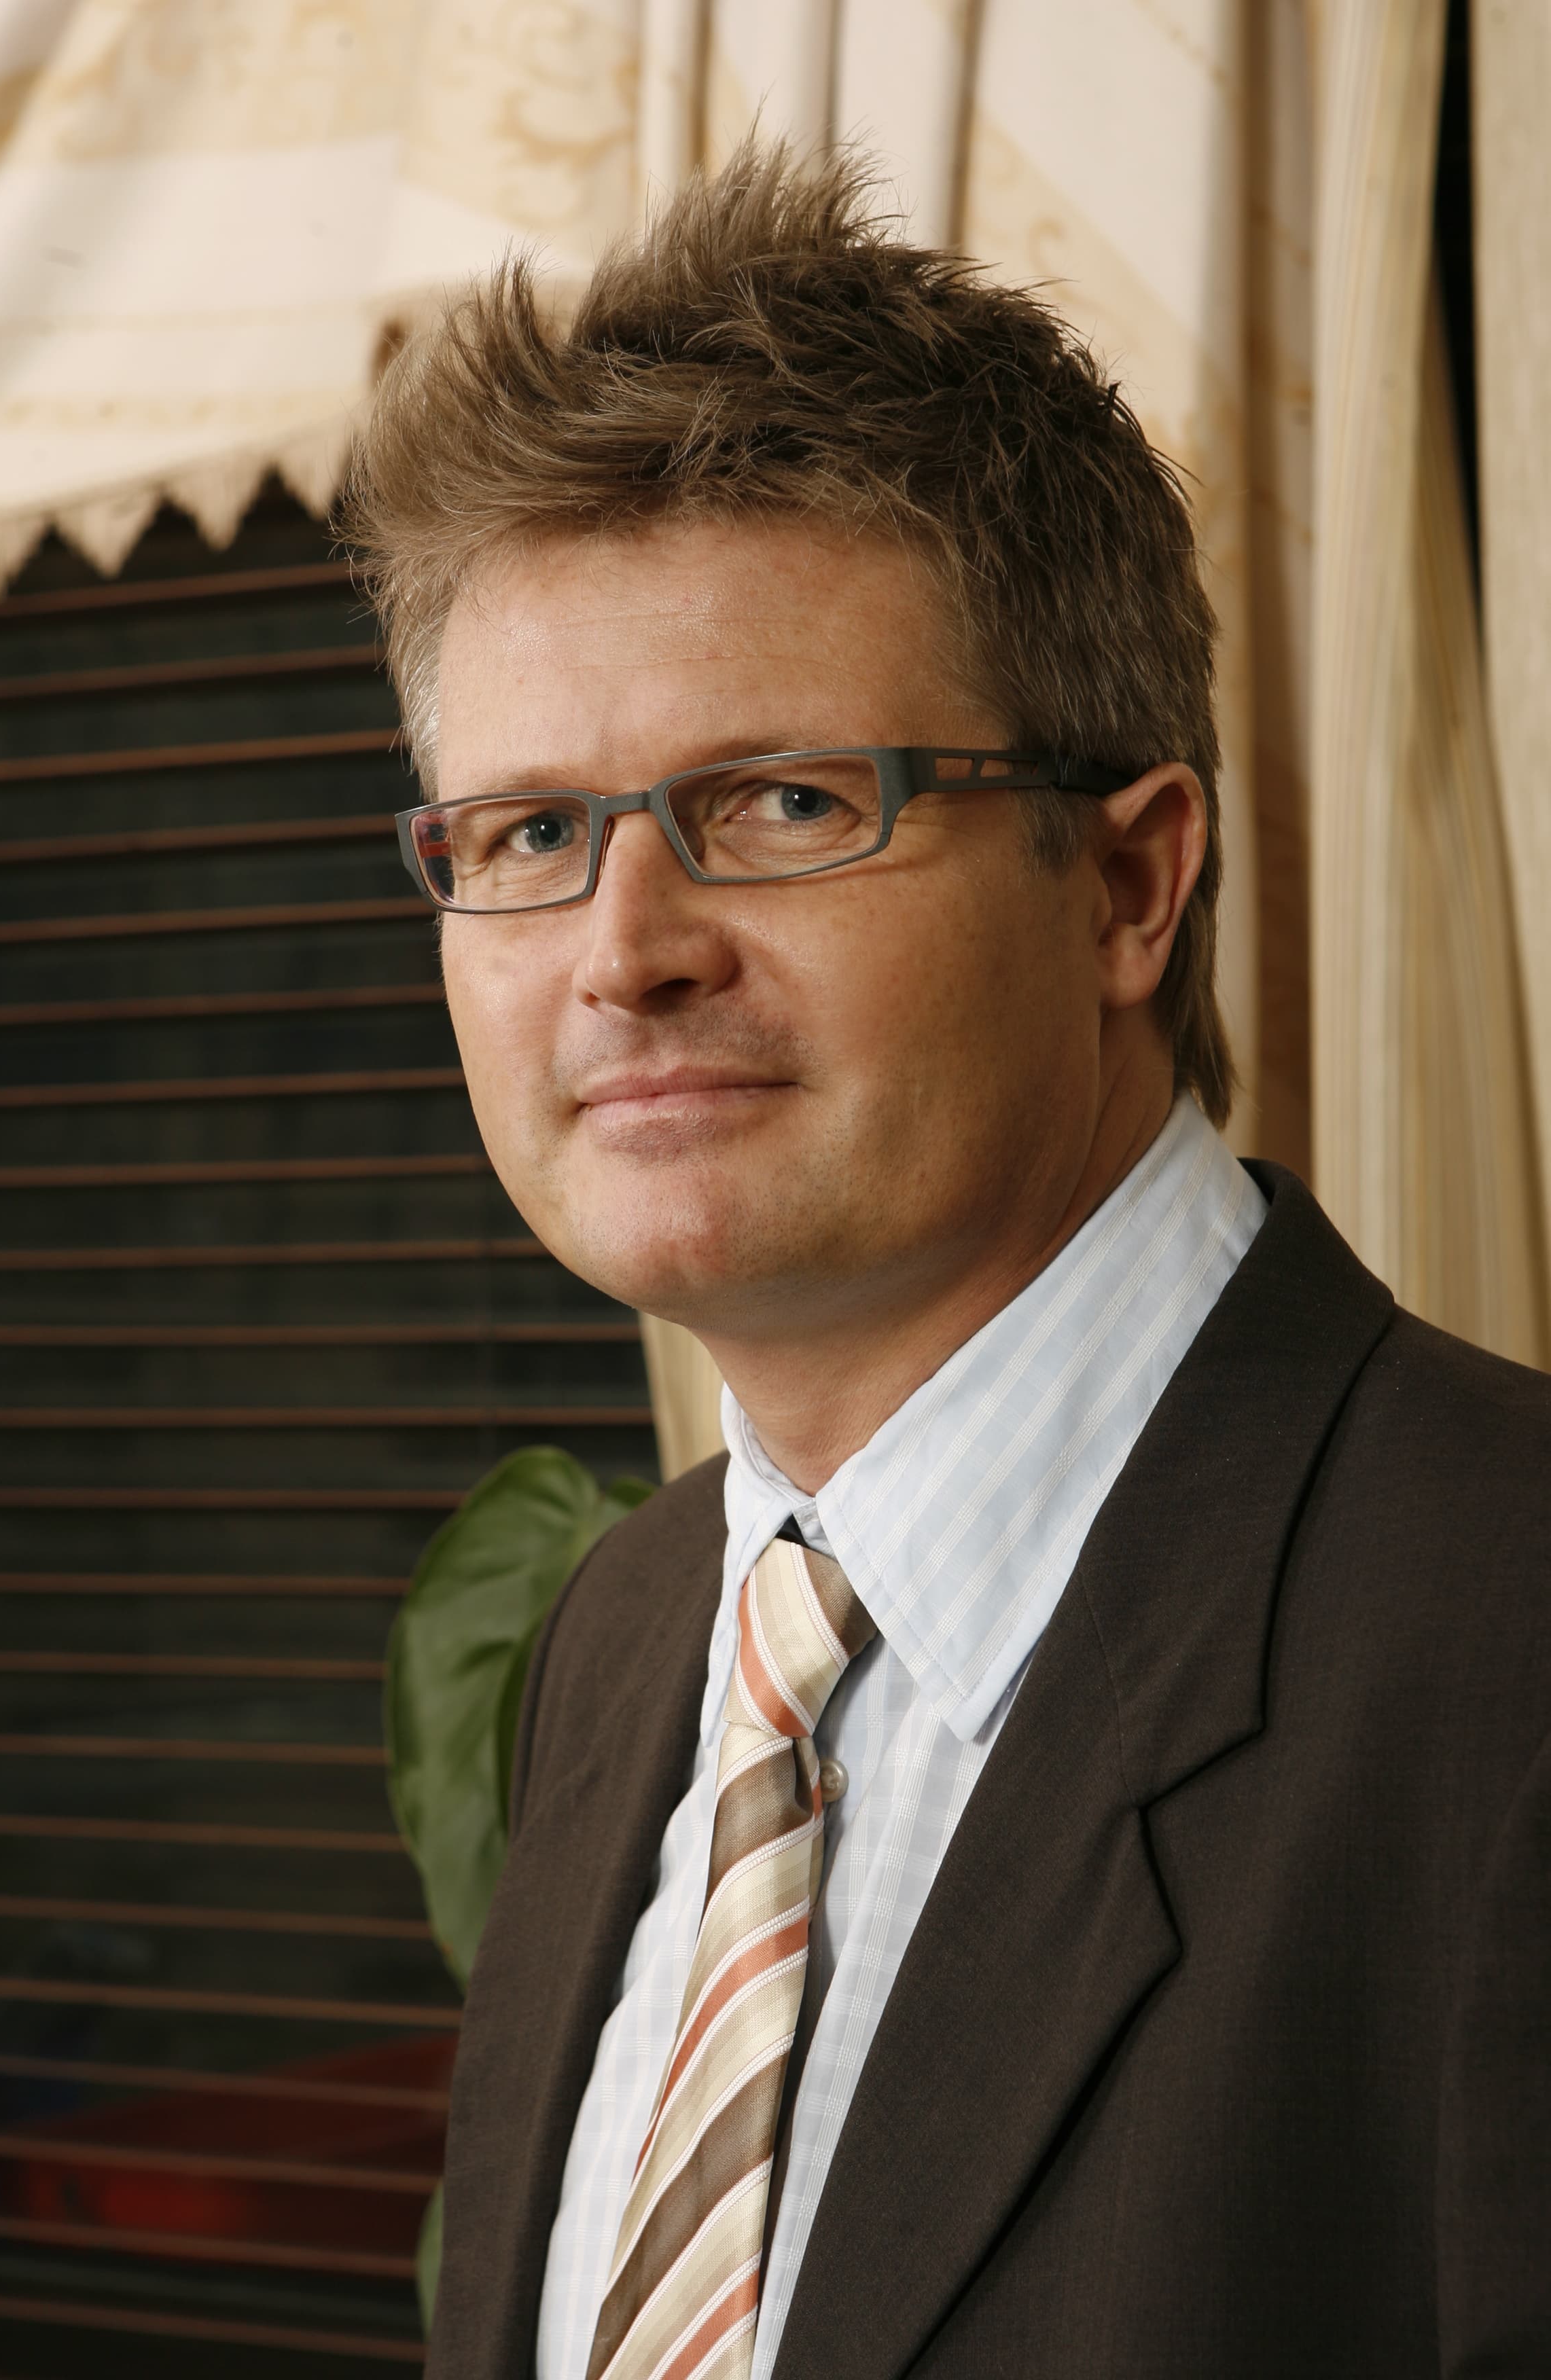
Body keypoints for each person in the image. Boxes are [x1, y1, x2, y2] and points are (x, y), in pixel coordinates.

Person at [346, 145, 1550, 2380]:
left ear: (1131, 885)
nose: (625, 954)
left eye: (785, 804)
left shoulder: (1508, 1646)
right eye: (529, 833)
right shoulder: (632, 1638)